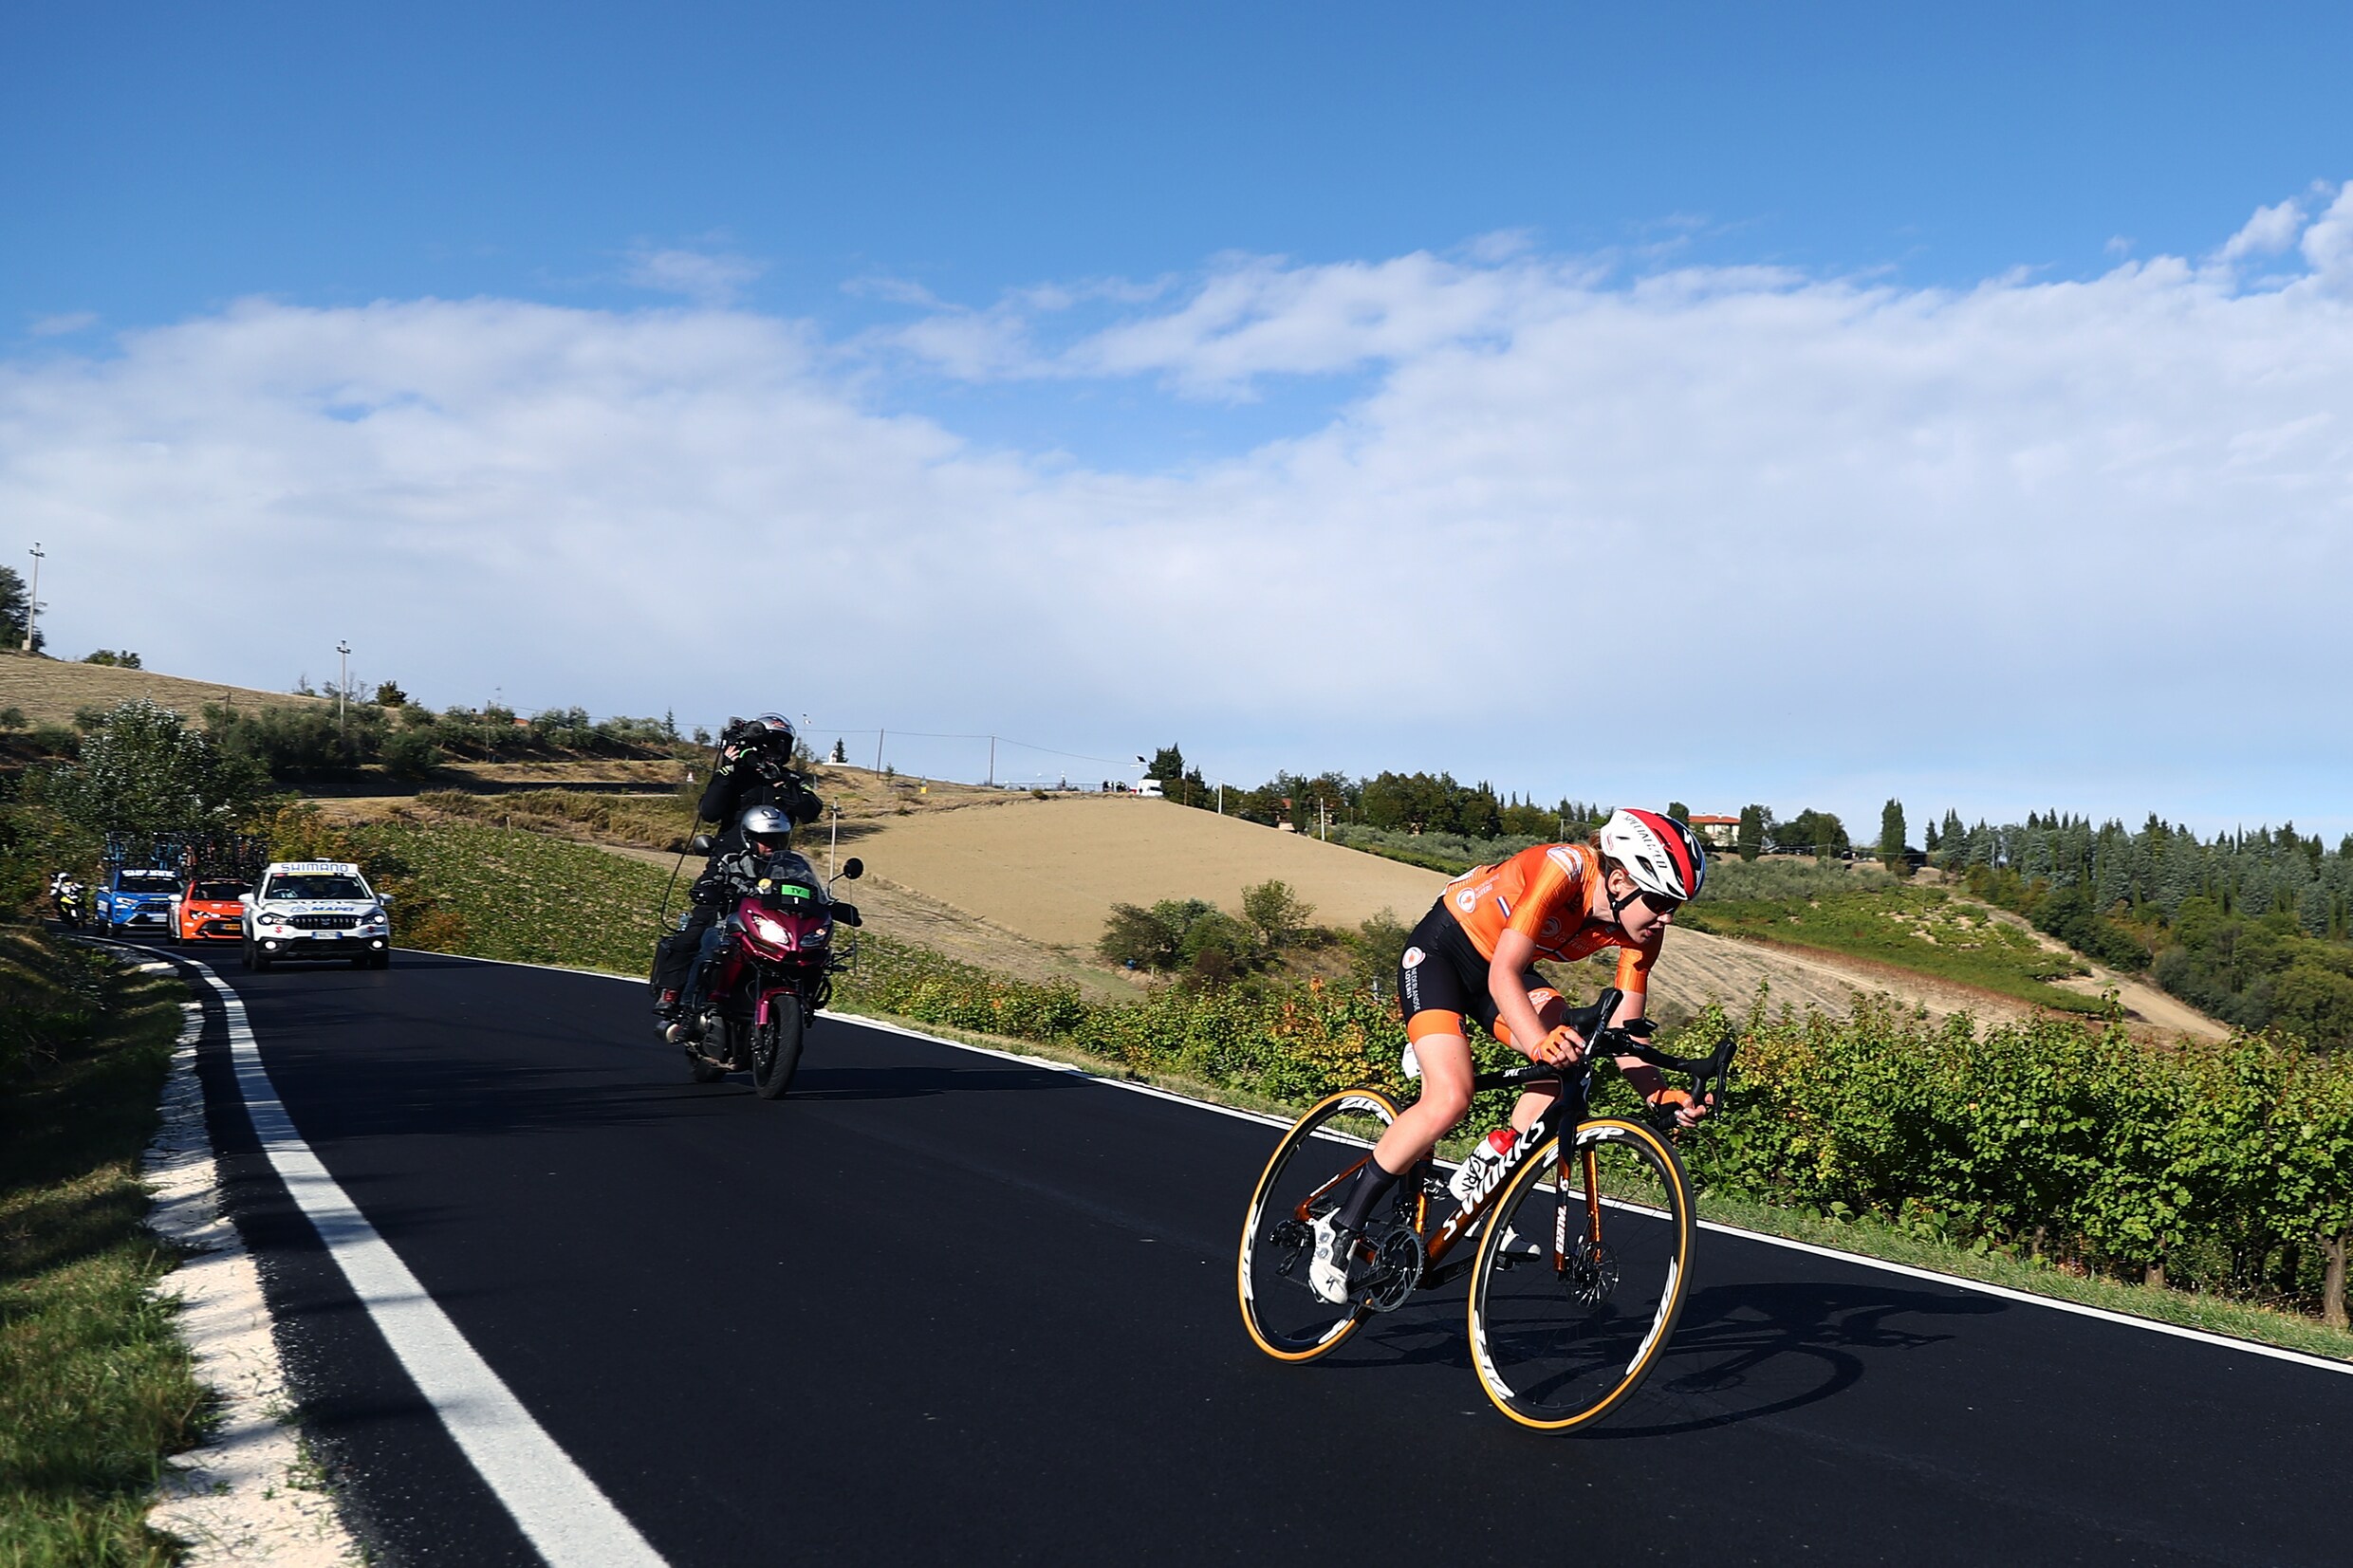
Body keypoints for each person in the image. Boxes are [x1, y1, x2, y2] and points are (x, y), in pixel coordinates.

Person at [1308, 808, 1714, 1304]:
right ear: (1620, 879)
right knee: (1451, 1098)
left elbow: (1626, 1031)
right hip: (1444, 954)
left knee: (1571, 1055)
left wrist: (1659, 1093)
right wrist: (1538, 1042)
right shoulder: (1561, 869)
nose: (1667, 915)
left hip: (1503, 975)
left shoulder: (1642, 930)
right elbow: (1503, 972)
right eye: (1659, 899)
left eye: (1676, 904)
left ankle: (1479, 1174)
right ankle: (1341, 1226)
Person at [651, 714, 824, 1024]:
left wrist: (779, 780)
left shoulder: (791, 781)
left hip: (776, 868)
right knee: (700, 927)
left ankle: (797, 1002)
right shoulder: (735, 774)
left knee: (799, 933)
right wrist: (728, 769)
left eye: (781, 744)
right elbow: (709, 811)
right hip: (728, 864)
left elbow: (811, 811)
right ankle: (672, 993)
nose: (775, 750)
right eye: (770, 743)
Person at [663, 803, 804, 1042]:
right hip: (730, 926)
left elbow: (807, 889)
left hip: (772, 930)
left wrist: (828, 903)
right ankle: (688, 1011)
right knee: (709, 950)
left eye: (777, 838)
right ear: (748, 838)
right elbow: (709, 879)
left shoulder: (792, 867)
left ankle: (798, 1009)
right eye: (764, 839)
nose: (771, 844)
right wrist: (707, 888)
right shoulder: (731, 861)